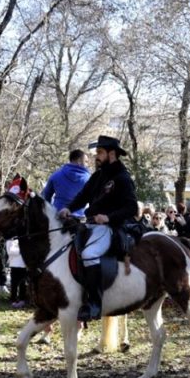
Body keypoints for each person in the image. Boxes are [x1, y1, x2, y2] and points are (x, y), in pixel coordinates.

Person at [58, 136, 138, 322]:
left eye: (100, 152)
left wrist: (109, 217)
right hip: (91, 225)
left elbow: (132, 207)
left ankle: (94, 304)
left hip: (111, 228)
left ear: (112, 154)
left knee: (89, 254)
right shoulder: (98, 176)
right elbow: (83, 195)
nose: (97, 156)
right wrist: (69, 208)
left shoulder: (123, 178)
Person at [41, 149, 91, 217]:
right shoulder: (90, 179)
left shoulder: (56, 175)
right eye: (86, 162)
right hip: (79, 220)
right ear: (79, 161)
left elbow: (45, 197)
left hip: (57, 218)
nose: (87, 165)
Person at [6, 238, 28, 309]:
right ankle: (13, 299)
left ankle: (22, 299)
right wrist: (21, 250)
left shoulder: (23, 238)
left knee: (23, 284)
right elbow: (10, 252)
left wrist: (20, 251)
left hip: (23, 265)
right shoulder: (10, 240)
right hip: (14, 265)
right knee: (14, 284)